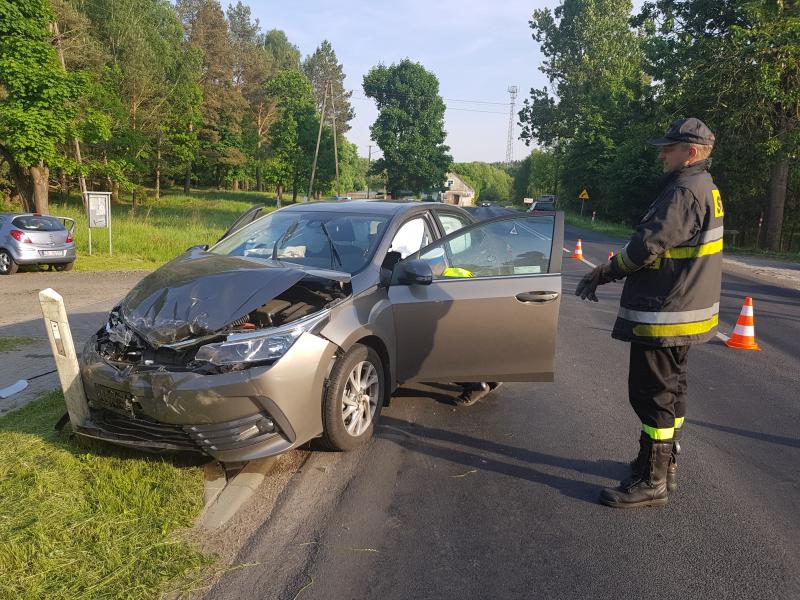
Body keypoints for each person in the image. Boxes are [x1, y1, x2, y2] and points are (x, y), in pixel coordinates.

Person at [576, 117, 723, 508]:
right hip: (682, 310)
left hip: (665, 312)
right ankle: (663, 467)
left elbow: (645, 248)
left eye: (668, 148)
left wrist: (604, 271)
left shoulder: (684, 191)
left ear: (690, 153)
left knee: (651, 394)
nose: (661, 154)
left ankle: (652, 480)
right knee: (671, 393)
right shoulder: (702, 186)